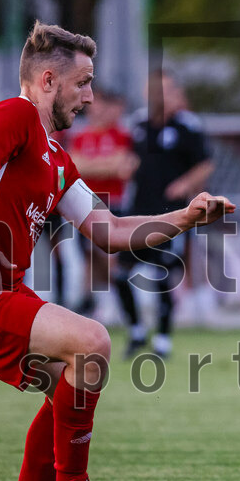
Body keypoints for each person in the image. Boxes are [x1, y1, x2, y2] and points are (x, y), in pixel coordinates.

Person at [0, 21, 234, 481]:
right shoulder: (15, 114)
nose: (88, 97)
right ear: (47, 80)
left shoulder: (57, 158)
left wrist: (184, 217)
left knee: (70, 381)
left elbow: (108, 231)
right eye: (82, 83)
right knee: (92, 343)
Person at [115, 71, 214, 359]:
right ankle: (135, 331)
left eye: (165, 90)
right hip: (138, 214)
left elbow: (206, 164)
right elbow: (132, 158)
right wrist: (126, 166)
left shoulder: (187, 126)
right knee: (121, 275)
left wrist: (185, 184)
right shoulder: (139, 124)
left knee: (161, 275)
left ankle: (162, 341)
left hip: (173, 217)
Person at [68, 87, 136, 316]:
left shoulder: (122, 135)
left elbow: (122, 168)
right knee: (88, 256)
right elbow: (74, 167)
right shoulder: (80, 135)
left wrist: (92, 166)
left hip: (112, 204)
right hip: (84, 204)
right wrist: (104, 166)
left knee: (109, 257)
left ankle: (120, 304)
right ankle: (91, 303)